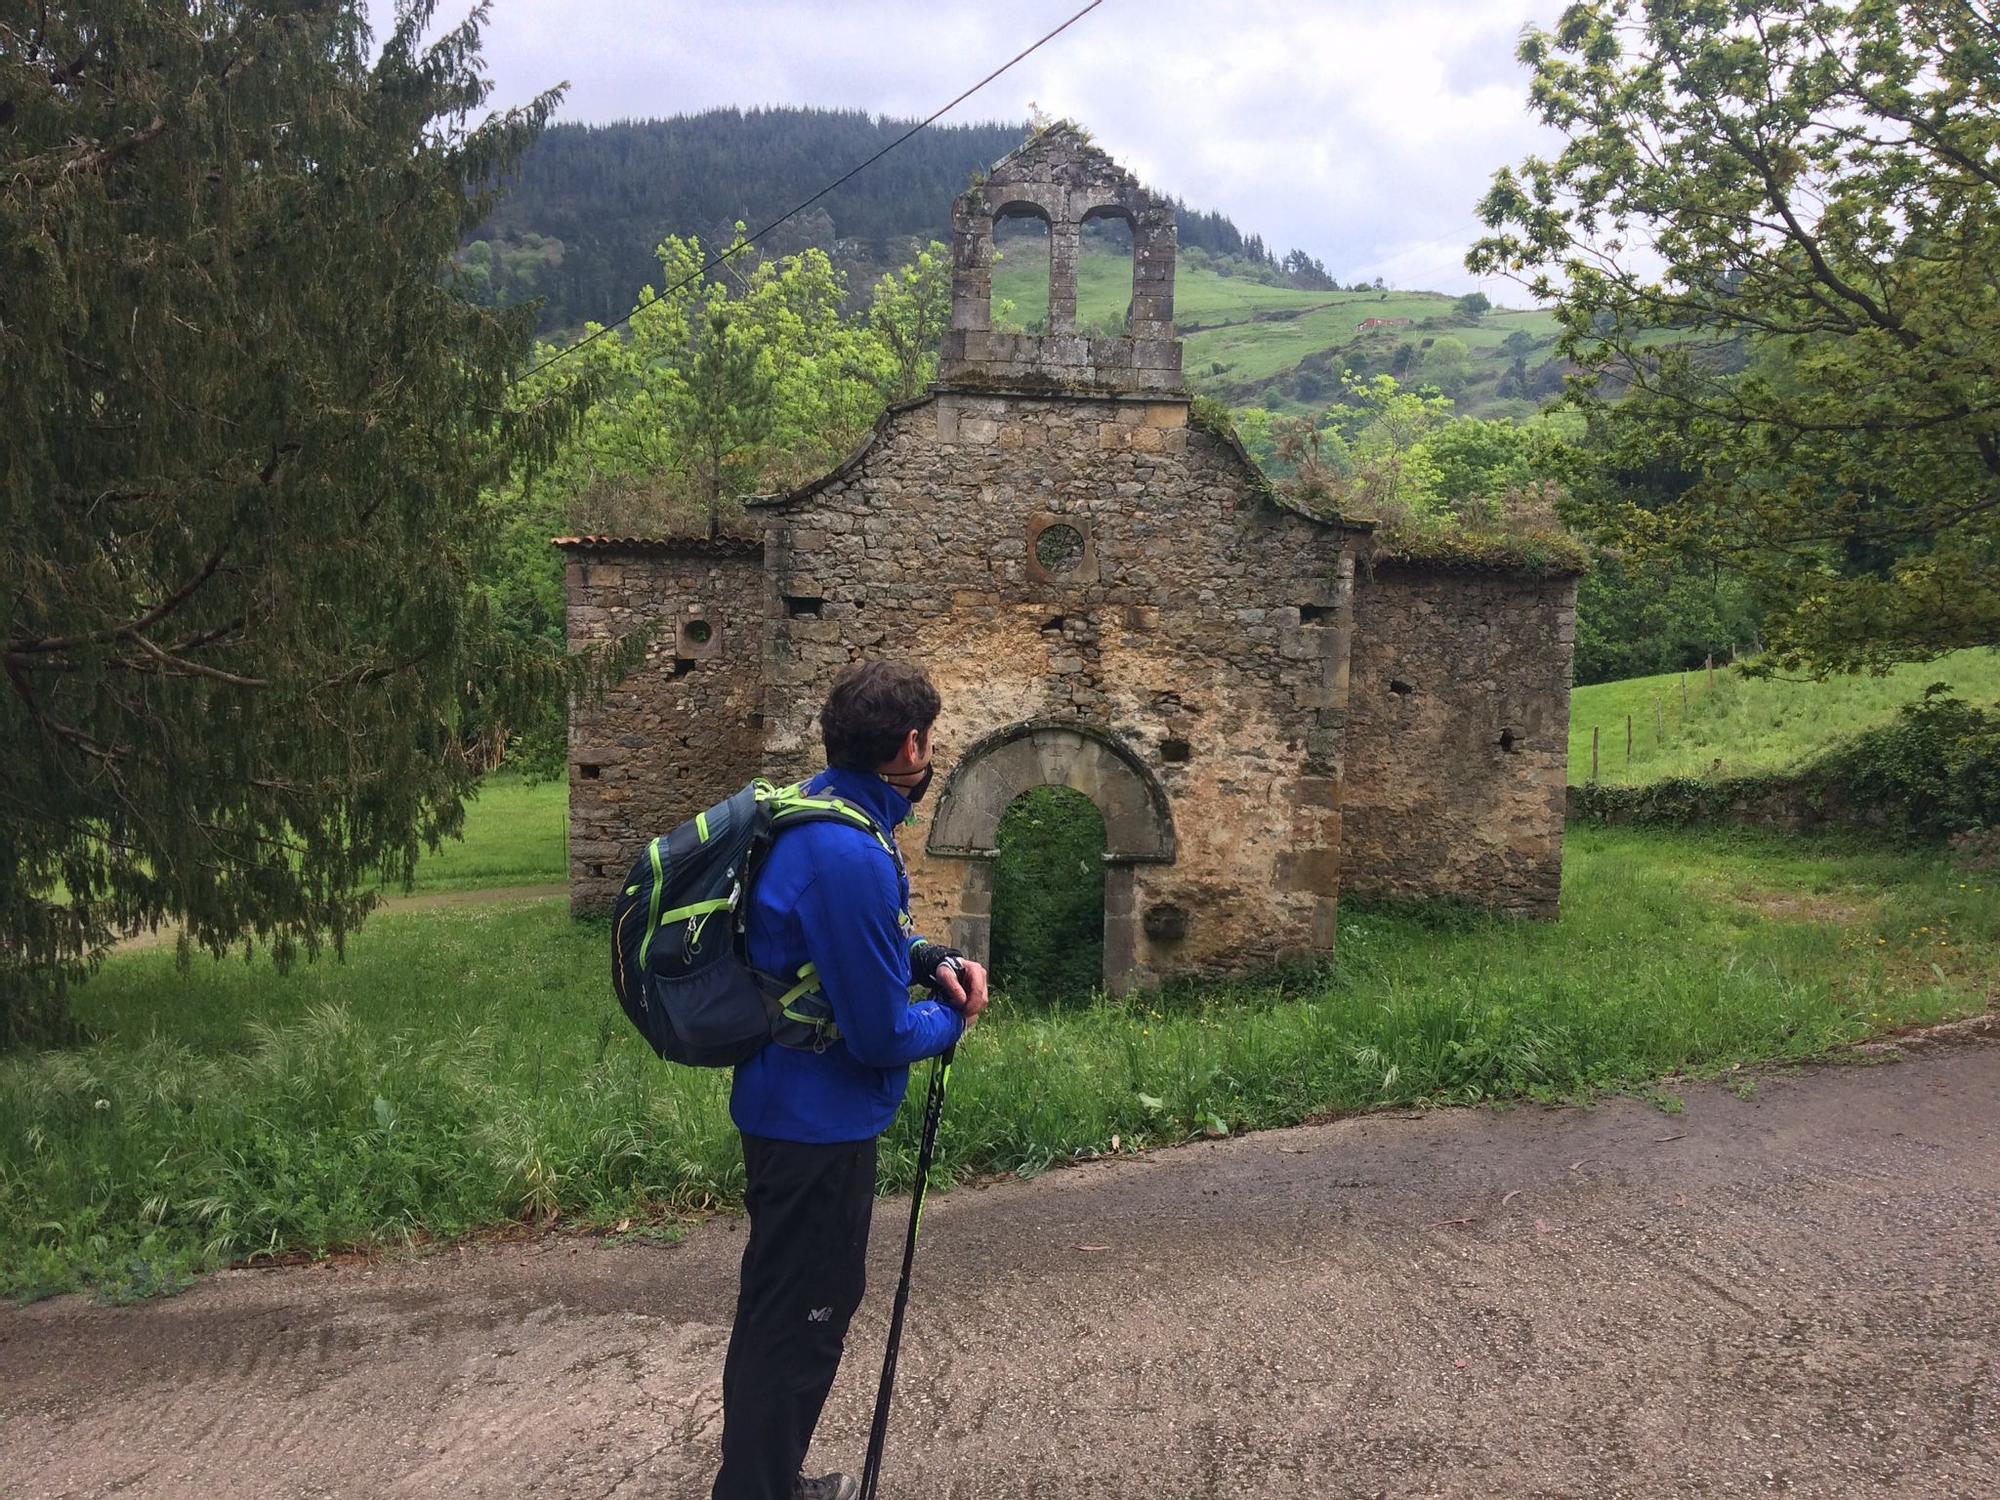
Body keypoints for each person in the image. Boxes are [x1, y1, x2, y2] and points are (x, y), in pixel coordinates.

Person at [713, 658, 990, 1500]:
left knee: (782, 1310)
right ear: (909, 745)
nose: (931, 751)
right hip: (816, 1125)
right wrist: (956, 1016)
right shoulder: (850, 851)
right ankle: (758, 1492)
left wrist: (926, 958)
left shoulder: (818, 814)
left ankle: (764, 1481)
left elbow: (824, 950)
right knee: (801, 1320)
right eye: (930, 739)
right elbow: (876, 1036)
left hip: (786, 1105)